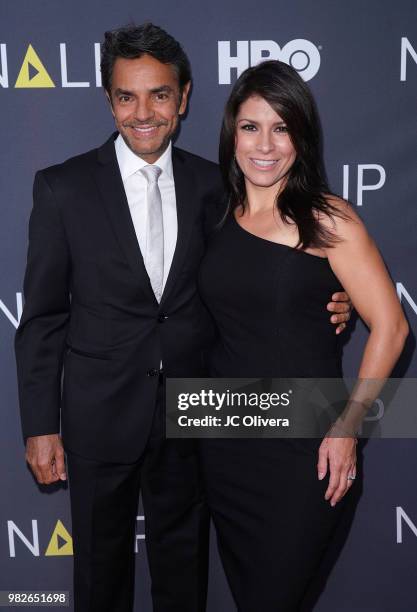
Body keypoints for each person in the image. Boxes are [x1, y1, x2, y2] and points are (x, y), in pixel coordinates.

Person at [14, 24, 351, 612]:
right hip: (101, 412)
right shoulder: (63, 188)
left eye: (160, 95)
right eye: (127, 96)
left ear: (185, 98)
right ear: (109, 100)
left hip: (198, 413)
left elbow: (263, 271)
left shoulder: (219, 187)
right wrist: (41, 424)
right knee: (99, 575)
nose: (143, 112)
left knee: (183, 572)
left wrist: (334, 296)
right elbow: (42, 317)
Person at [197, 60, 408, 611]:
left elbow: (392, 325)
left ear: (301, 136)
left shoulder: (327, 218)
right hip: (224, 444)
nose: (265, 144)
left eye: (281, 127)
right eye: (250, 127)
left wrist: (347, 429)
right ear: (231, 134)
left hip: (305, 452)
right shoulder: (214, 214)